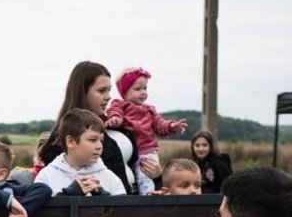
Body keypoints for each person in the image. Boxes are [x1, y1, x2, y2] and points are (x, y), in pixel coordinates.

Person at [39, 61, 162, 194]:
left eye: (109, 90)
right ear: (82, 92)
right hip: (110, 208)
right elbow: (66, 187)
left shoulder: (118, 124)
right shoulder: (61, 142)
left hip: (136, 201)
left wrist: (156, 178)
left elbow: (135, 169)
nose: (108, 97)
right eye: (101, 90)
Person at [106, 67, 188, 195]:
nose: (143, 92)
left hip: (147, 152)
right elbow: (114, 111)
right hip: (128, 153)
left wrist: (172, 126)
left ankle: (147, 197)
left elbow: (160, 124)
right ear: (125, 93)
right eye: (138, 89)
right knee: (128, 177)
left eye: (145, 88)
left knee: (145, 177)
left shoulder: (150, 110)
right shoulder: (121, 104)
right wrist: (115, 118)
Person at [35, 109, 126, 196]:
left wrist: (105, 199)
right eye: (93, 140)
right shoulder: (46, 177)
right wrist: (67, 195)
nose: (100, 146)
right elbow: (39, 211)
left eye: (101, 140)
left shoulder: (110, 179)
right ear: (70, 141)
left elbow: (124, 211)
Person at [147, 158, 218, 217]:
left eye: (198, 185)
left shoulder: (207, 216)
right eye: (185, 186)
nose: (194, 190)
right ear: (166, 190)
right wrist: (164, 212)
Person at [191, 129, 232, 194]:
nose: (201, 149)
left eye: (204, 145)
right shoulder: (195, 164)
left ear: (211, 146)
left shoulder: (219, 163)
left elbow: (228, 186)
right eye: (197, 145)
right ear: (193, 147)